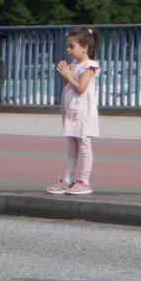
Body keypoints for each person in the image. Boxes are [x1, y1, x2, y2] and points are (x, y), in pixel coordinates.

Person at [46, 27, 100, 195]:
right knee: (71, 147)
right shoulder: (74, 65)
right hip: (72, 112)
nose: (68, 50)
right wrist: (66, 75)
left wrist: (69, 76)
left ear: (84, 47)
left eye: (72, 46)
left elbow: (81, 88)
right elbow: (68, 88)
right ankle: (68, 178)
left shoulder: (90, 66)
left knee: (84, 146)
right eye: (68, 46)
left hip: (83, 113)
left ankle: (84, 180)